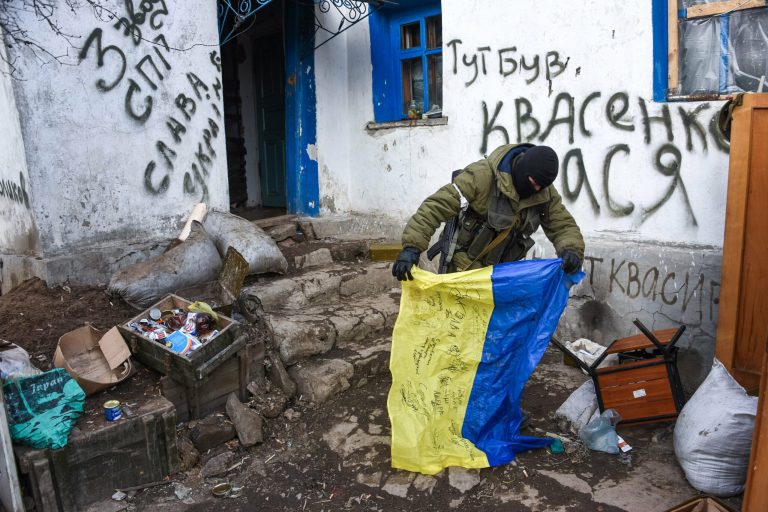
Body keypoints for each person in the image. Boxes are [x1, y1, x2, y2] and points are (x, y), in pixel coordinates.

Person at [392, 143, 584, 281]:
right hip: (464, 268)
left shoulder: (544, 192)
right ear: (522, 168)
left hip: (502, 273)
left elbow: (562, 225)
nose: (535, 189)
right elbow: (436, 206)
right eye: (533, 183)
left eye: (541, 187)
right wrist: (412, 248)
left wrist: (572, 250)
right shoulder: (482, 177)